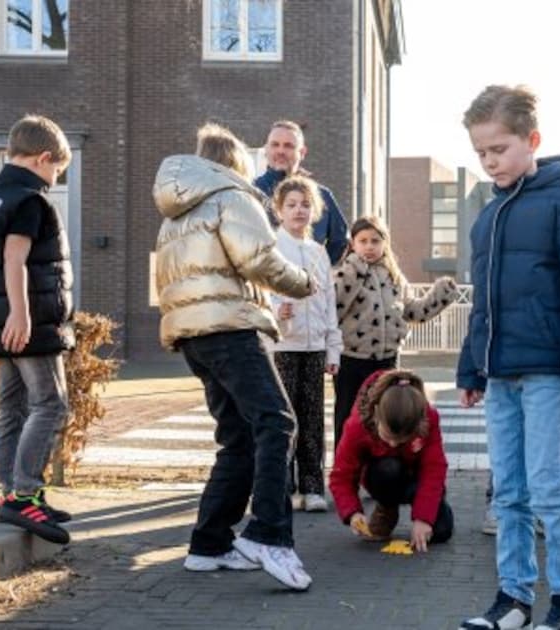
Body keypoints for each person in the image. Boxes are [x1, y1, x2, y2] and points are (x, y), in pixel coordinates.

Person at [456, 85, 560, 630]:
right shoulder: (488, 217)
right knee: (510, 493)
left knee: (548, 487)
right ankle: (513, 600)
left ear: (532, 140)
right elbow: (484, 304)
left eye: (498, 149)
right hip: (500, 377)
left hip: (549, 372)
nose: (489, 161)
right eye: (480, 153)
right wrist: (470, 368)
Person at [153, 123, 315, 591]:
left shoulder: (175, 210)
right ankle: (268, 535)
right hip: (230, 328)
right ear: (237, 163)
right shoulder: (232, 194)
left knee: (239, 437)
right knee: (277, 422)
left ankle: (210, 543)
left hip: (192, 334)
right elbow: (259, 260)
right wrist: (303, 281)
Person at [0, 115, 75, 545]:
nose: (54, 179)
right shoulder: (31, 200)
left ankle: (10, 492)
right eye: (56, 171)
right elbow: (15, 259)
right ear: (43, 158)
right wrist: (22, 314)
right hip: (27, 321)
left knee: (12, 407)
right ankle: (23, 492)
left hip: (0, 318)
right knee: (51, 404)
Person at [332, 216, 456, 448]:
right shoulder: (346, 272)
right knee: (349, 416)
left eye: (375, 241)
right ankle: (343, 466)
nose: (369, 246)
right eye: (363, 241)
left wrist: (441, 295)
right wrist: (354, 270)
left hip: (387, 360)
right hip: (352, 359)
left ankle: (381, 466)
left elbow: (413, 312)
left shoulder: (393, 276)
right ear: (353, 244)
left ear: (384, 244)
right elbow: (333, 308)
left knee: (386, 416)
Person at [269, 175, 343, 513]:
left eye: (305, 204)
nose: (299, 210)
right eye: (292, 204)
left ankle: (313, 487)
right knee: (283, 421)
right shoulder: (270, 248)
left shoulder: (318, 253)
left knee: (313, 418)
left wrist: (333, 348)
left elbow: (329, 304)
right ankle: (281, 487)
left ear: (314, 211)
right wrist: (275, 309)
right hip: (282, 347)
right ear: (279, 209)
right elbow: (257, 295)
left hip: (314, 348)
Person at [329, 369, 453, 551]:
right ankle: (387, 507)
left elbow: (434, 469)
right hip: (382, 474)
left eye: (401, 440)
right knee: (388, 467)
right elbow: (341, 475)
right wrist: (353, 512)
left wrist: (423, 518)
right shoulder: (358, 425)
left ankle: (429, 506)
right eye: (388, 437)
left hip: (414, 477)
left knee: (440, 532)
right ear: (377, 413)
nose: (393, 444)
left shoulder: (428, 419)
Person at [254, 120, 350, 262]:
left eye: (288, 146)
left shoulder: (322, 196)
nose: (280, 151)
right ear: (266, 149)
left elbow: (339, 240)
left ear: (302, 152)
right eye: (275, 145)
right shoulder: (250, 192)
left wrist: (317, 266)